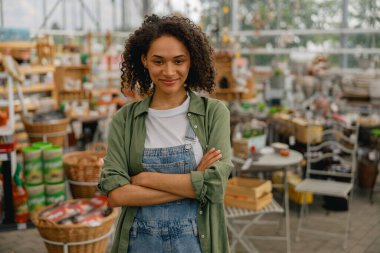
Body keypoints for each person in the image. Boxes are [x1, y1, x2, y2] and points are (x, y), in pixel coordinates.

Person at [98, 14, 233, 253]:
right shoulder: (124, 120)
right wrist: (194, 183)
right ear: (144, 60)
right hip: (139, 244)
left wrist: (145, 179)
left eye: (178, 61)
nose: (169, 72)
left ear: (191, 60)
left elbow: (215, 187)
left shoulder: (214, 114)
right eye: (158, 61)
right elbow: (117, 194)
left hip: (196, 244)